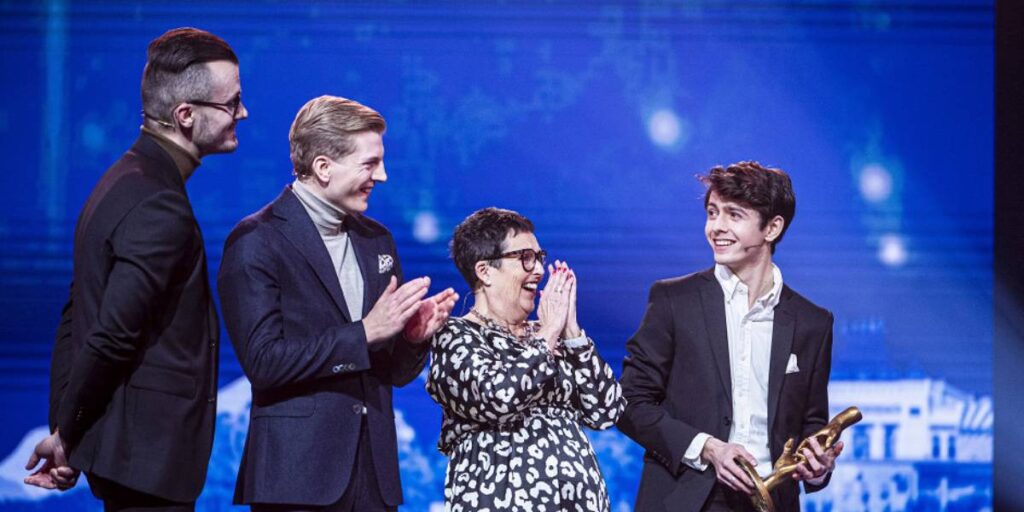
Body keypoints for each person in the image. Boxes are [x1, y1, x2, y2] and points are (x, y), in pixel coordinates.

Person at [23, 27, 248, 511]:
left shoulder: (120, 181)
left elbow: (75, 316)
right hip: (147, 463)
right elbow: (110, 334)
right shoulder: (158, 204)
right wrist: (69, 434)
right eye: (232, 103)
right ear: (185, 116)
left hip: (128, 459)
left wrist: (66, 429)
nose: (242, 113)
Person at [217, 95, 457, 512]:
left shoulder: (376, 239)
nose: (382, 175)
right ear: (323, 167)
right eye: (369, 163)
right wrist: (364, 334)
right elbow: (263, 362)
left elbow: (391, 371)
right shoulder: (257, 240)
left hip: (373, 478)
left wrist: (413, 339)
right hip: (297, 480)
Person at [618, 162, 843, 511]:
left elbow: (811, 423)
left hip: (772, 501)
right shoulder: (674, 301)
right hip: (687, 499)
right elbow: (630, 402)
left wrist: (817, 468)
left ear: (772, 227)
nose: (716, 227)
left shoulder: (812, 322)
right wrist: (707, 448)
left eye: (734, 215)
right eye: (712, 213)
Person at [426, 207, 626, 512]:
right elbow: (500, 396)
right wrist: (549, 333)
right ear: (485, 271)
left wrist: (571, 332)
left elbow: (606, 411)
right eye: (525, 258)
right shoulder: (455, 336)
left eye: (539, 257)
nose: (539, 270)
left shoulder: (549, 332)